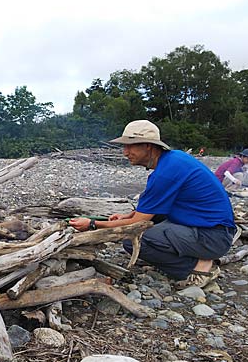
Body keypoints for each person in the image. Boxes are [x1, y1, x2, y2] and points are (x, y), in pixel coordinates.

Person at [69, 120, 236, 288]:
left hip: (213, 237)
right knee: (146, 228)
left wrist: (92, 224)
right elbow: (153, 208)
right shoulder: (173, 160)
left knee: (133, 240)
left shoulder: (165, 173)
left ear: (148, 146)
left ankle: (198, 267)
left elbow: (137, 224)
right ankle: (195, 254)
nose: (125, 152)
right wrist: (128, 215)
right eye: (124, 146)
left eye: (130, 146)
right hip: (213, 229)